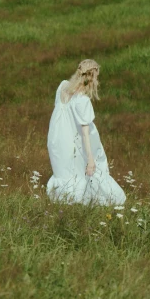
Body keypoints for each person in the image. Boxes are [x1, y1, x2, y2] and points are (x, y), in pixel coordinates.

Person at [46, 59, 126, 205]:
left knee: (66, 174)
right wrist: (90, 159)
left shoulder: (63, 87)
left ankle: (66, 202)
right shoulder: (82, 100)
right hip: (73, 143)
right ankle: (86, 202)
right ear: (91, 77)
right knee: (85, 173)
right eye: (96, 77)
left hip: (57, 141)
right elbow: (85, 133)